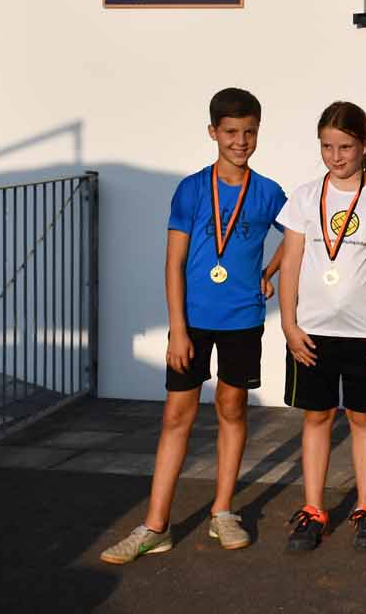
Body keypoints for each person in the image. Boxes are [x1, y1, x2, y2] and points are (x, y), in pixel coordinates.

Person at [100, 87, 288, 564]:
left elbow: (299, 235)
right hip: (193, 322)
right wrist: (178, 329)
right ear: (213, 133)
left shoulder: (268, 192)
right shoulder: (191, 189)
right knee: (176, 417)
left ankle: (223, 511)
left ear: (258, 133)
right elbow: (174, 262)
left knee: (232, 409)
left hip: (243, 320)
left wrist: (269, 272)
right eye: (231, 132)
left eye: (249, 132)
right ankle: (155, 525)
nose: (240, 141)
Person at [275, 102, 366, 552]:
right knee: (317, 417)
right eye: (327, 146)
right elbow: (290, 264)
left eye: (345, 146)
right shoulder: (305, 197)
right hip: (311, 332)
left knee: (363, 418)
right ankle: (313, 508)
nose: (335, 156)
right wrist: (288, 324)